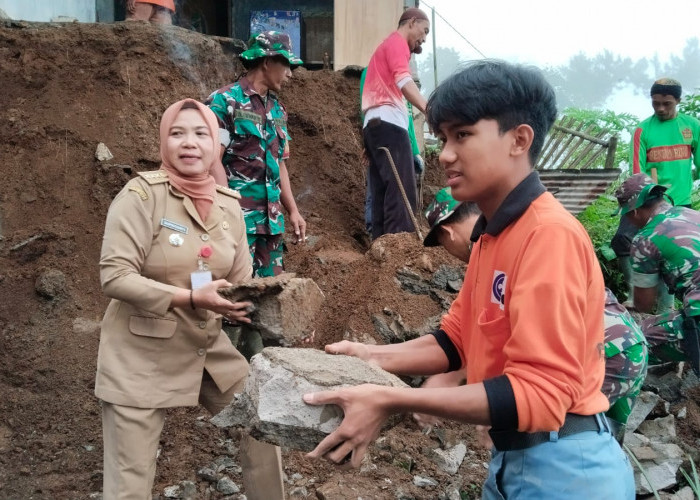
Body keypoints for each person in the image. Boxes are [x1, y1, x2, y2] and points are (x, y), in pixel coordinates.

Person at [304, 60, 634, 498]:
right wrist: (372, 356)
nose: (444, 154)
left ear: (519, 139)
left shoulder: (548, 236)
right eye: (443, 138)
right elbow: (454, 342)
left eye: (463, 135)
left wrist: (393, 399)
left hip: (566, 472)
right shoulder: (490, 239)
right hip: (513, 462)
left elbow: (539, 396)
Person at [95, 99, 284, 500]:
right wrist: (191, 297)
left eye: (201, 134)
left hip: (205, 348)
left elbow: (241, 282)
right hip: (140, 352)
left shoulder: (229, 206)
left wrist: (278, 305)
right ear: (164, 141)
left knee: (262, 428)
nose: (189, 143)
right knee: (129, 479)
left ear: (217, 144)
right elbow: (115, 277)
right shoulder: (141, 197)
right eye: (177, 133)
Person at [417, 188, 648, 439]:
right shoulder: (515, 232)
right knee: (602, 444)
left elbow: (505, 328)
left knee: (554, 441)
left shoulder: (491, 248)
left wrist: (452, 381)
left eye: (441, 243)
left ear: (447, 233)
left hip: (600, 354)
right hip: (628, 344)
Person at [206, 31, 307, 359]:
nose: (290, 73)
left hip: (271, 225)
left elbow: (280, 164)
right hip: (238, 222)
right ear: (267, 62)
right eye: (286, 65)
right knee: (234, 296)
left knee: (267, 297)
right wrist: (227, 207)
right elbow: (212, 159)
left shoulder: (278, 111)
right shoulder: (224, 101)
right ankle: (223, 370)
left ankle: (260, 366)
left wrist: (292, 210)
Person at [612, 78, 700, 310]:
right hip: (648, 201)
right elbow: (637, 171)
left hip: (680, 202)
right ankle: (636, 296)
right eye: (656, 103)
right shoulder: (643, 130)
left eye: (666, 103)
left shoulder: (692, 126)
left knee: (665, 250)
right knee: (622, 239)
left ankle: (665, 308)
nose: (660, 108)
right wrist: (646, 197)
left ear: (678, 101)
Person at [614, 172, 700, 375]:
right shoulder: (693, 215)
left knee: (629, 341)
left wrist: (625, 307)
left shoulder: (645, 239)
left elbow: (644, 304)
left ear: (633, 213)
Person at [362, 7, 429, 239]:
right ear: (412, 22)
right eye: (425, 30)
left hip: (375, 126)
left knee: (383, 189)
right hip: (390, 125)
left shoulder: (384, 48)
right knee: (402, 190)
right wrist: (429, 109)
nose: (424, 38)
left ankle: (381, 246)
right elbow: (404, 80)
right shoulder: (397, 43)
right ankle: (398, 247)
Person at [360, 65, 424, 235]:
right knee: (381, 187)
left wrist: (415, 150)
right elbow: (366, 106)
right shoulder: (372, 71)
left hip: (402, 141)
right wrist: (368, 143)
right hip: (383, 133)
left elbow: (407, 120)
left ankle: (397, 238)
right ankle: (377, 233)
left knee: (401, 188)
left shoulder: (403, 81)